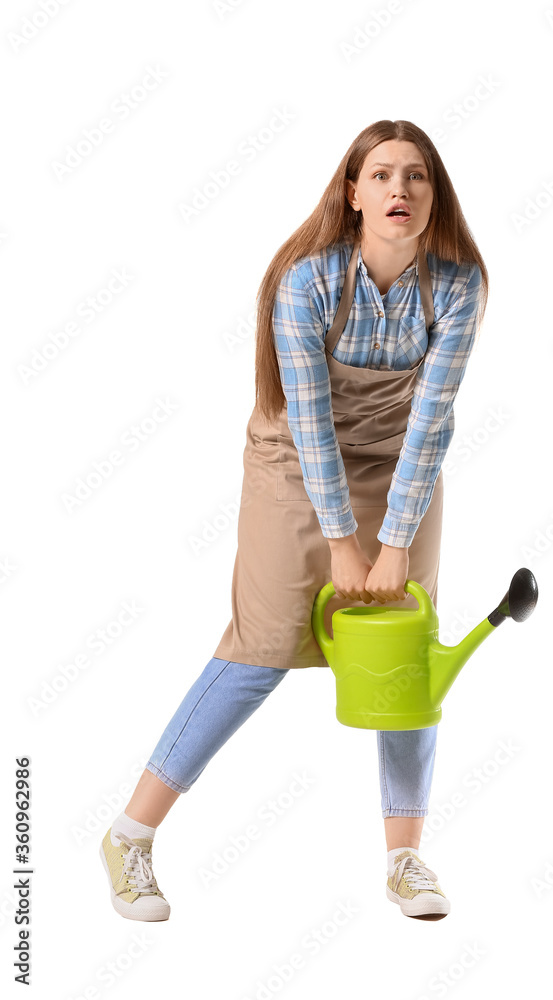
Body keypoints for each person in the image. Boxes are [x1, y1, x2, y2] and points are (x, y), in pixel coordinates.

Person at [99, 119, 487, 922]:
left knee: (404, 658)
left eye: (416, 178)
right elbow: (308, 424)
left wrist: (395, 540)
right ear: (352, 193)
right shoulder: (305, 282)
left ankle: (405, 859)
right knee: (261, 649)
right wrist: (345, 543)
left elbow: (431, 421)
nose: (399, 191)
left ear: (433, 196)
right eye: (381, 176)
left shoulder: (457, 284)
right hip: (291, 465)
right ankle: (130, 834)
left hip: (397, 472)